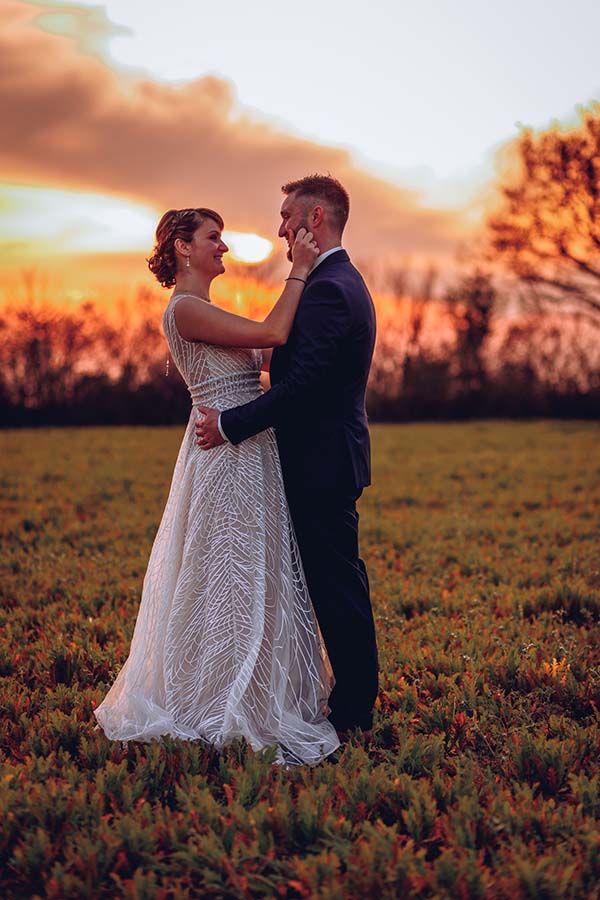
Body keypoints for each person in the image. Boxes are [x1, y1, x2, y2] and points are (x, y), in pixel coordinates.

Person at [93, 206, 340, 766]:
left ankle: (253, 685)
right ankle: (216, 698)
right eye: (213, 238)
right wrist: (299, 269)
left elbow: (273, 352)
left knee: (251, 568)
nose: (223, 247)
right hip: (224, 454)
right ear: (183, 247)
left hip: (249, 448)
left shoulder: (207, 308)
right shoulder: (184, 311)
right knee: (225, 570)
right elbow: (274, 333)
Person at [195, 175, 379, 737]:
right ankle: (347, 698)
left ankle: (353, 710)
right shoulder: (340, 280)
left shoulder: (327, 287)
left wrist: (230, 423)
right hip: (329, 457)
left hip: (320, 462)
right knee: (336, 580)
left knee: (336, 585)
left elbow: (303, 389)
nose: (279, 227)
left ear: (315, 218)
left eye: (286, 215)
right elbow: (301, 371)